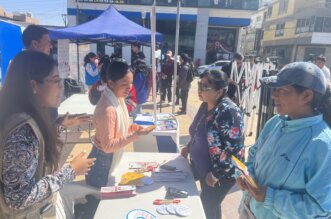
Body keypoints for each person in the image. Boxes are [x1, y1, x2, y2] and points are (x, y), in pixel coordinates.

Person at [0, 50, 95, 218]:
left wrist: (60, 126)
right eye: (56, 80)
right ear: (33, 86)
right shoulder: (22, 131)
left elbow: (34, 148)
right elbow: (18, 199)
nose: (61, 87)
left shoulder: (23, 117)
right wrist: (71, 170)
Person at [237, 62, 331, 218]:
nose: (274, 95)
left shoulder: (323, 145)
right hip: (250, 211)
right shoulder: (275, 122)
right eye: (275, 89)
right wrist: (248, 175)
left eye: (282, 90)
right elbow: (254, 154)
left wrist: (270, 198)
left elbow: (322, 208)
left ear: (307, 96)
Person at [181, 70, 244, 219]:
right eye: (199, 84)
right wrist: (189, 146)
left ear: (219, 91)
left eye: (205, 86)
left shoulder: (229, 112)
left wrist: (216, 174)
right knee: (212, 206)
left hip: (220, 175)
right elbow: (197, 130)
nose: (200, 89)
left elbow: (233, 149)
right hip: (203, 169)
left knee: (205, 208)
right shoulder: (206, 104)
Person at [85, 59, 152, 188]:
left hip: (109, 161)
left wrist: (132, 128)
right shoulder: (108, 109)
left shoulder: (117, 99)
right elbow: (108, 146)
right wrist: (133, 135)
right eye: (124, 84)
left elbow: (118, 128)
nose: (129, 88)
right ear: (111, 83)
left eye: (131, 83)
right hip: (101, 168)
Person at [22, 24, 90, 129]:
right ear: (35, 44)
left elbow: (45, 133)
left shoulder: (35, 64)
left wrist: (60, 125)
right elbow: (37, 133)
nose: (51, 46)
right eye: (55, 80)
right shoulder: (24, 67)